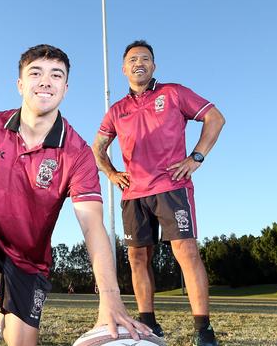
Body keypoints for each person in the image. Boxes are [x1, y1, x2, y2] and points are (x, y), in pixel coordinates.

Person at [0, 44, 149, 346]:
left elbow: (92, 226)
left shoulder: (77, 152)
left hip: (29, 257)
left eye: (56, 75)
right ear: (20, 84)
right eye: (35, 73)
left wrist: (110, 298)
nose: (46, 81)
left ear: (65, 87)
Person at [92, 40, 225, 346]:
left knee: (187, 253)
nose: (139, 63)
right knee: (138, 257)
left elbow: (215, 118)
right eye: (133, 59)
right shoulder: (116, 110)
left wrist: (196, 158)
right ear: (124, 68)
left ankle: (203, 330)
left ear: (153, 66)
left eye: (145, 58)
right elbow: (97, 148)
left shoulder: (174, 93)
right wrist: (112, 173)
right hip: (133, 194)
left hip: (172, 187)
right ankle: (149, 324)